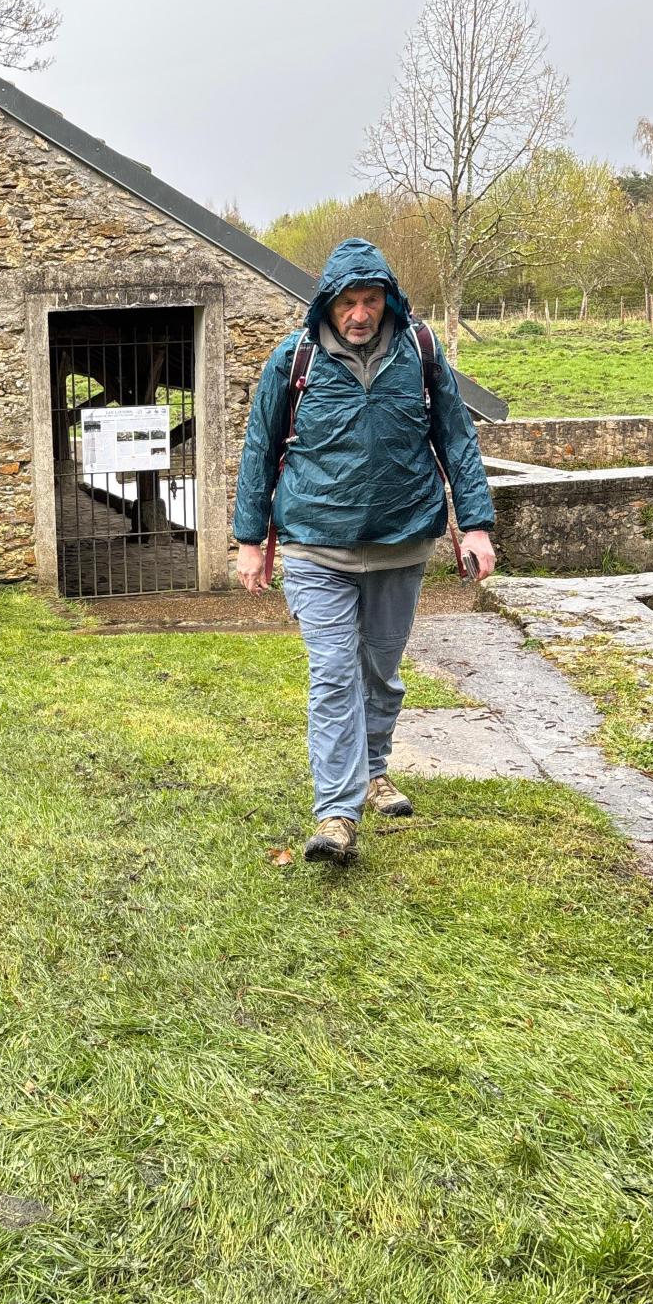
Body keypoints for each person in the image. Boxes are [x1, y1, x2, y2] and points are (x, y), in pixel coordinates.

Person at [233, 237, 497, 864]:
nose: (359, 314)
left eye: (370, 300)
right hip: (313, 544)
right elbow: (259, 449)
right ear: (327, 303)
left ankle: (374, 769)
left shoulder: (421, 353)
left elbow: (457, 440)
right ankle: (336, 813)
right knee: (332, 672)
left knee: (379, 671)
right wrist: (250, 540)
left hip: (402, 542)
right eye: (348, 302)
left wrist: (477, 525)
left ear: (388, 301)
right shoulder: (292, 361)